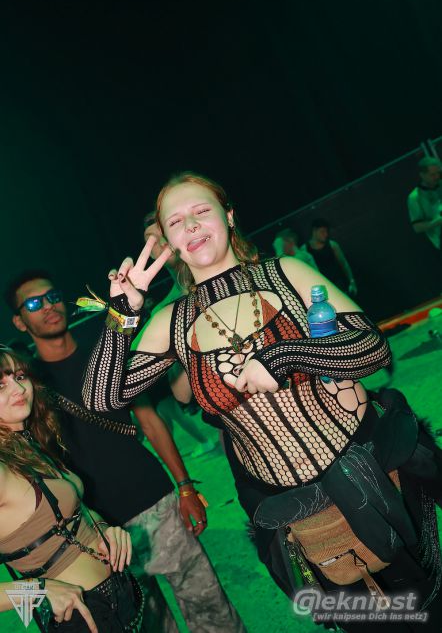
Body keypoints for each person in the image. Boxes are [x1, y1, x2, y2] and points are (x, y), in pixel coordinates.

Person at [83, 172, 442, 631]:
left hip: (373, 473)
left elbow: (372, 348)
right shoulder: (169, 321)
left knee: (425, 606)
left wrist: (283, 355)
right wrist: (122, 313)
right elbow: (101, 397)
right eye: (175, 221)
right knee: (366, 624)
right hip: (297, 511)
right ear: (169, 243)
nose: (190, 225)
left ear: (229, 217)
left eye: (201, 211)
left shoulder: (284, 273)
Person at [4, 271, 244, 633]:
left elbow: (149, 420)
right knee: (148, 622)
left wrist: (185, 486)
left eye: (52, 297)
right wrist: (33, 589)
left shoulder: (102, 353)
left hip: (152, 501)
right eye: (34, 303)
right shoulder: (24, 386)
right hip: (95, 531)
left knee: (209, 608)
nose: (48, 307)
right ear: (20, 322)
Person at [0, 345, 139, 633]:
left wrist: (104, 529)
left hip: (120, 596)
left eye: (20, 377)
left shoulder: (26, 442)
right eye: (0, 385)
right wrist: (35, 590)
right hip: (81, 621)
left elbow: (74, 510)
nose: (19, 388)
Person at [135, 213, 217, 459]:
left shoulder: (222, 276)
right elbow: (182, 393)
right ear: (150, 253)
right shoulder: (165, 310)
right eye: (152, 240)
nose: (162, 243)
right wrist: (123, 310)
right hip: (228, 422)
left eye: (165, 232)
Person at [300, 218, 358, 296]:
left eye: (326, 232)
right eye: (322, 232)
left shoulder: (332, 245)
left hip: (338, 284)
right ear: (314, 231)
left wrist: (352, 281)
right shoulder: (304, 249)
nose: (326, 234)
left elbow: (344, 264)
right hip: (321, 288)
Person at [407, 156, 442, 252]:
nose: (437, 177)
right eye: (432, 174)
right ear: (422, 175)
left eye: (438, 173)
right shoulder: (414, 197)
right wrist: (437, 222)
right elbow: (417, 227)